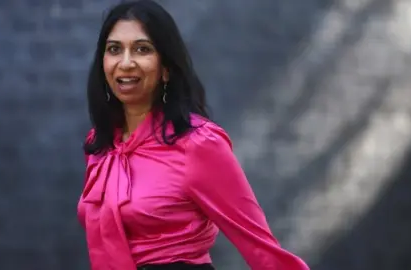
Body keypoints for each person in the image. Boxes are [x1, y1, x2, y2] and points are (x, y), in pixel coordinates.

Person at [77, 1, 310, 269]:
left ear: (166, 69)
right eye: (114, 49)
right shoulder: (100, 146)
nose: (126, 62)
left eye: (142, 49)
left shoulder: (198, 144)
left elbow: (260, 247)